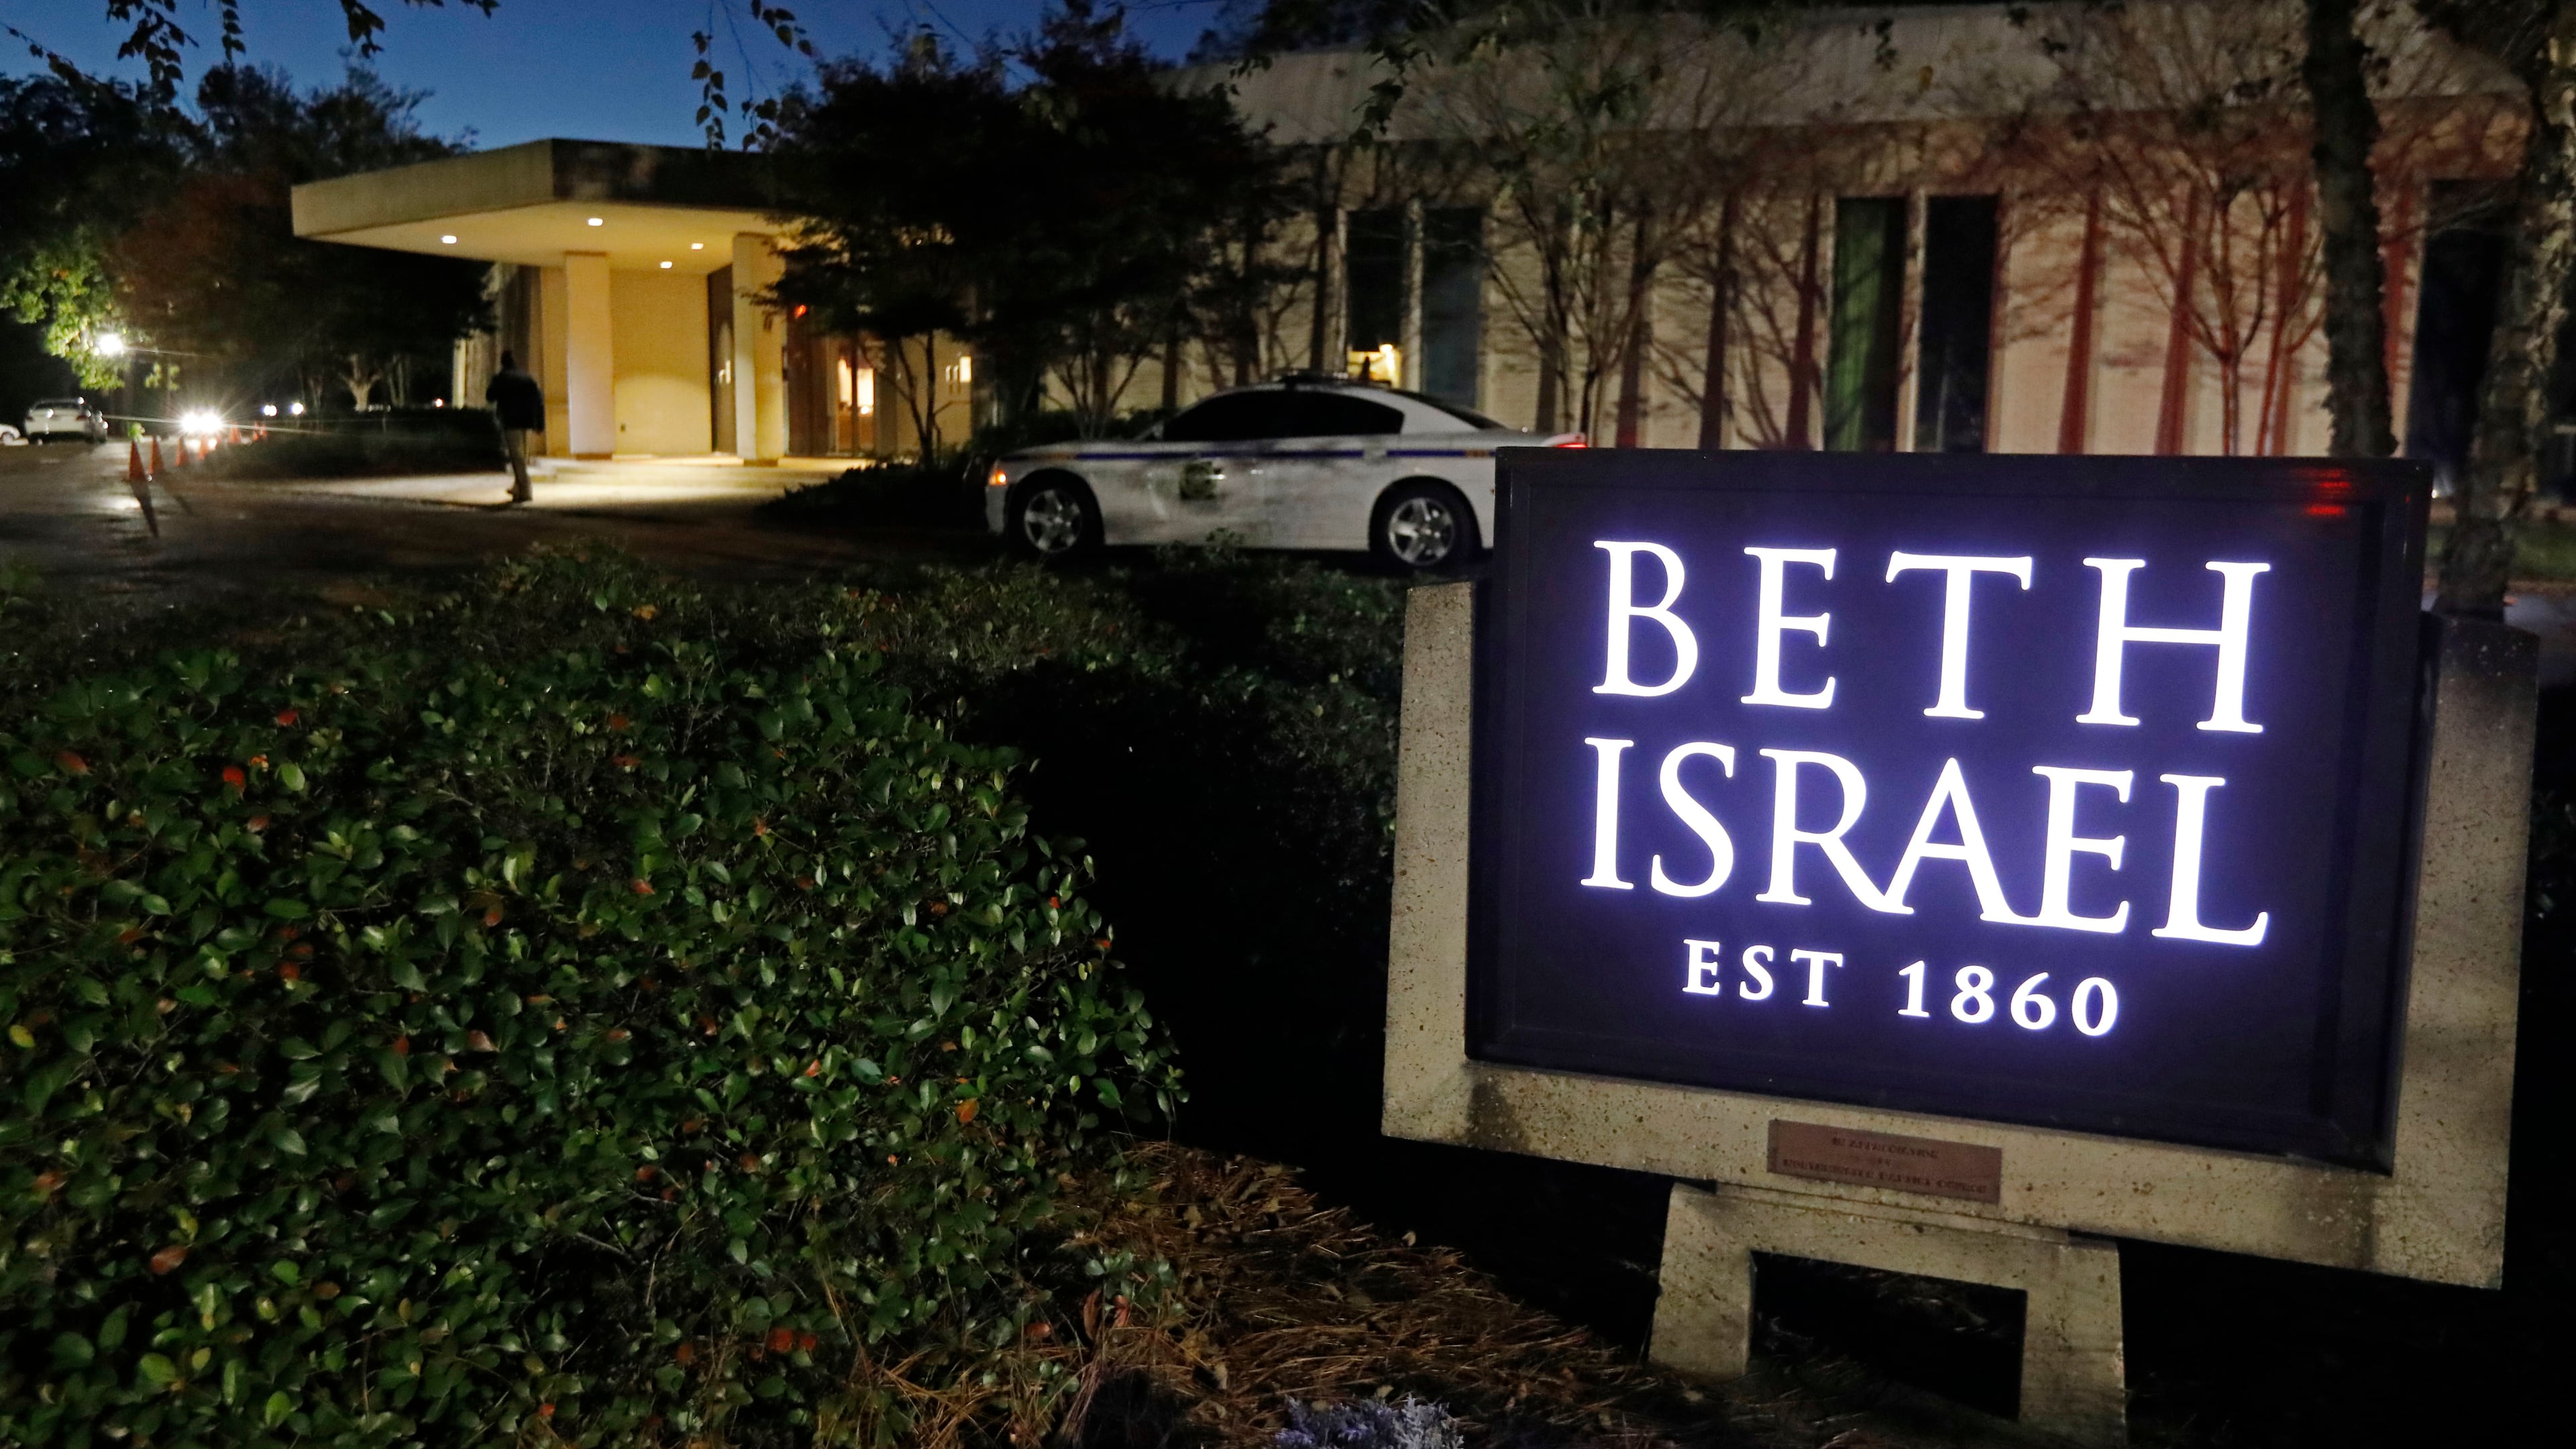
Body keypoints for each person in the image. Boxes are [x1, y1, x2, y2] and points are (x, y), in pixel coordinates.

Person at [484, 352, 545, 504]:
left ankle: (525, 488)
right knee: (522, 454)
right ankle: (518, 487)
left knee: (516, 456)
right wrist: (539, 423)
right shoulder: (526, 377)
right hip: (526, 420)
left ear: (503, 363)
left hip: (511, 420)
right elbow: (538, 399)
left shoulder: (502, 378)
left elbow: (490, 396)